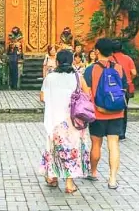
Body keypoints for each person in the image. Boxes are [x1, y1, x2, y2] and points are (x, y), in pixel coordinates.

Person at [39, 49, 91, 194]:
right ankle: (69, 183)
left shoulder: (50, 77)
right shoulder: (77, 77)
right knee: (72, 149)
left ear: (57, 61)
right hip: (73, 120)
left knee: (54, 147)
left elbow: (42, 97)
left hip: (55, 120)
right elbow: (87, 94)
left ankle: (52, 177)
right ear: (72, 60)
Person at [83, 38, 125, 190]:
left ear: (97, 51)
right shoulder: (119, 68)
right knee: (113, 145)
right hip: (117, 112)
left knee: (96, 144)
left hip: (98, 113)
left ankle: (93, 172)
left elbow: (86, 91)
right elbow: (124, 89)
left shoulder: (91, 69)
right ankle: (112, 179)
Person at [112, 40, 137, 140]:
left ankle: (114, 131)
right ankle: (122, 133)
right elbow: (134, 72)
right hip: (125, 87)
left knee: (113, 109)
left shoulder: (110, 59)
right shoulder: (128, 58)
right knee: (124, 110)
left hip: (113, 88)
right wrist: (129, 79)